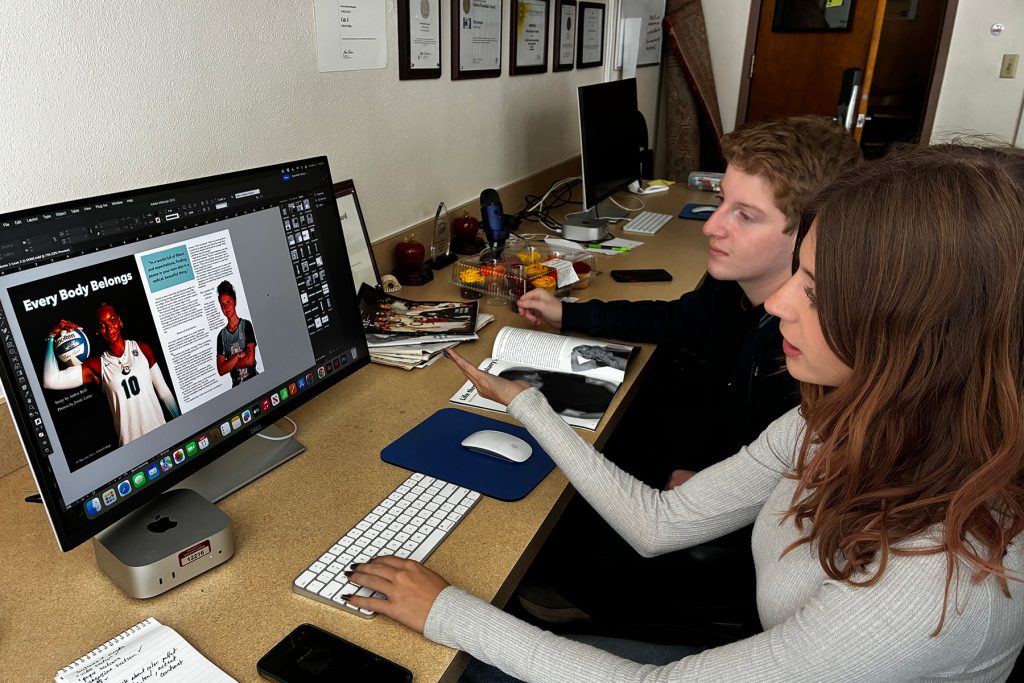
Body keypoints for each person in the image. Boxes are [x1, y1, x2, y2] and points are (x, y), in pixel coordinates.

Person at [341, 144, 1024, 680]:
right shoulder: (840, 417)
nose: (779, 303)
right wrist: (529, 403)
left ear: (927, 338)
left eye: (816, 292)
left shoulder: (937, 583)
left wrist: (448, 611)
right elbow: (658, 522)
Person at [515, 116, 863, 629]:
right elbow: (675, 319)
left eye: (745, 216)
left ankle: (578, 595)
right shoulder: (733, 287)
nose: (711, 226)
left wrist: (713, 484)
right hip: (707, 453)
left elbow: (801, 494)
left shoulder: (810, 354)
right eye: (722, 202)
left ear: (811, 234)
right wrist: (568, 313)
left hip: (734, 522)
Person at [43, 303, 180, 446]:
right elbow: (50, 381)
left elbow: (164, 393)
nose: (109, 328)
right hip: (132, 447)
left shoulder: (142, 349)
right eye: (102, 325)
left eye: (112, 320)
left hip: (162, 437)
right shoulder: (97, 365)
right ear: (97, 330)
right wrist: (52, 336)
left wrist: (180, 425)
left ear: (119, 321)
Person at [498, 368, 616, 420]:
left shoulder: (552, 375)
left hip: (612, 393)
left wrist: (616, 395)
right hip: (604, 410)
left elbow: (597, 381)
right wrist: (608, 414)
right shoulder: (543, 400)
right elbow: (580, 415)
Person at [215, 280, 259, 386]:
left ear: (235, 302)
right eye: (222, 304)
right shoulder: (221, 336)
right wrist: (238, 355)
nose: (226, 307)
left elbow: (250, 360)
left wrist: (228, 364)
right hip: (237, 387)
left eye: (228, 302)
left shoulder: (246, 325)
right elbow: (221, 370)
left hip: (254, 381)